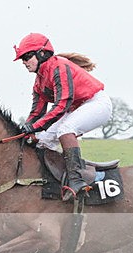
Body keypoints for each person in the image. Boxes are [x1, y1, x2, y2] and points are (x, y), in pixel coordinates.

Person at [13, 33, 112, 201]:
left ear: (42, 54)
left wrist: (35, 127)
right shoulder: (39, 81)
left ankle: (76, 180)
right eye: (22, 58)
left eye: (27, 56)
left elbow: (62, 105)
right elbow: (37, 112)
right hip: (76, 108)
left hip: (96, 103)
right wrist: (25, 129)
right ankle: (53, 180)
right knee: (42, 140)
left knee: (66, 130)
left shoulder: (59, 67)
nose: (24, 61)